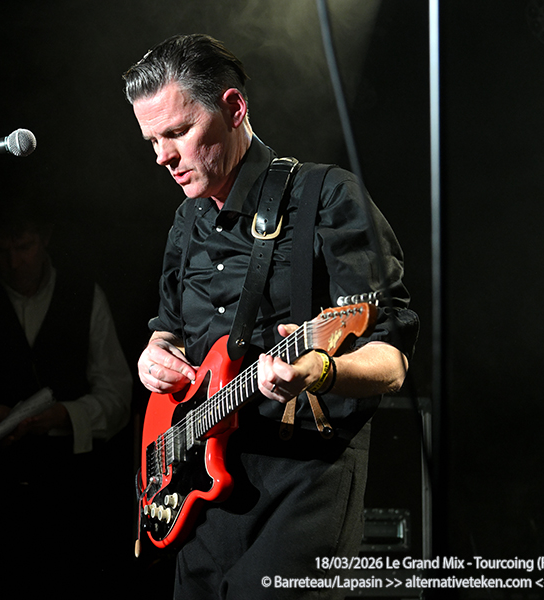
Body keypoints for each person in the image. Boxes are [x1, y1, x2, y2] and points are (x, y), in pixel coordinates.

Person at [123, 34, 418, 598]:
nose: (162, 156)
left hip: (304, 478)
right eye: (152, 140)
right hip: (200, 486)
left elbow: (393, 359)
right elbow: (170, 333)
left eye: (177, 132)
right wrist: (154, 357)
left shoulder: (327, 197)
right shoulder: (186, 220)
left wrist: (320, 371)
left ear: (234, 108)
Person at [0, 198, 133, 596]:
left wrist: (66, 415)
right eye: (1, 250)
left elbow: (118, 395)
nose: (13, 262)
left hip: (71, 493)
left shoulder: (84, 294)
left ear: (44, 239)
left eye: (23, 247)